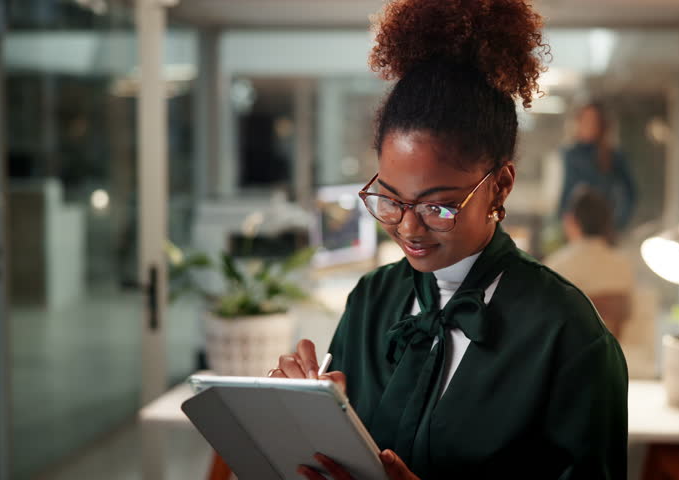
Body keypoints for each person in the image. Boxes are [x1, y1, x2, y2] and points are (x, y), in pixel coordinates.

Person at [269, 1, 628, 478]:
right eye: (391, 200)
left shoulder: (569, 336)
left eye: (438, 207)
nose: (409, 229)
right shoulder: (371, 301)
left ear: (501, 185)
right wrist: (304, 420)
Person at [544, 186, 635, 338]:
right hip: (617, 353)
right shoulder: (623, 264)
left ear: (571, 221)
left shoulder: (555, 265)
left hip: (570, 356)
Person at [556, 102, 636, 232]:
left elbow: (629, 194)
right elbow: (566, 191)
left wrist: (618, 223)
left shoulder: (613, 156)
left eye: (594, 121)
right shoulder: (570, 154)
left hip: (604, 228)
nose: (590, 125)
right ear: (578, 122)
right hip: (576, 228)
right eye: (586, 120)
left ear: (602, 125)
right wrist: (564, 220)